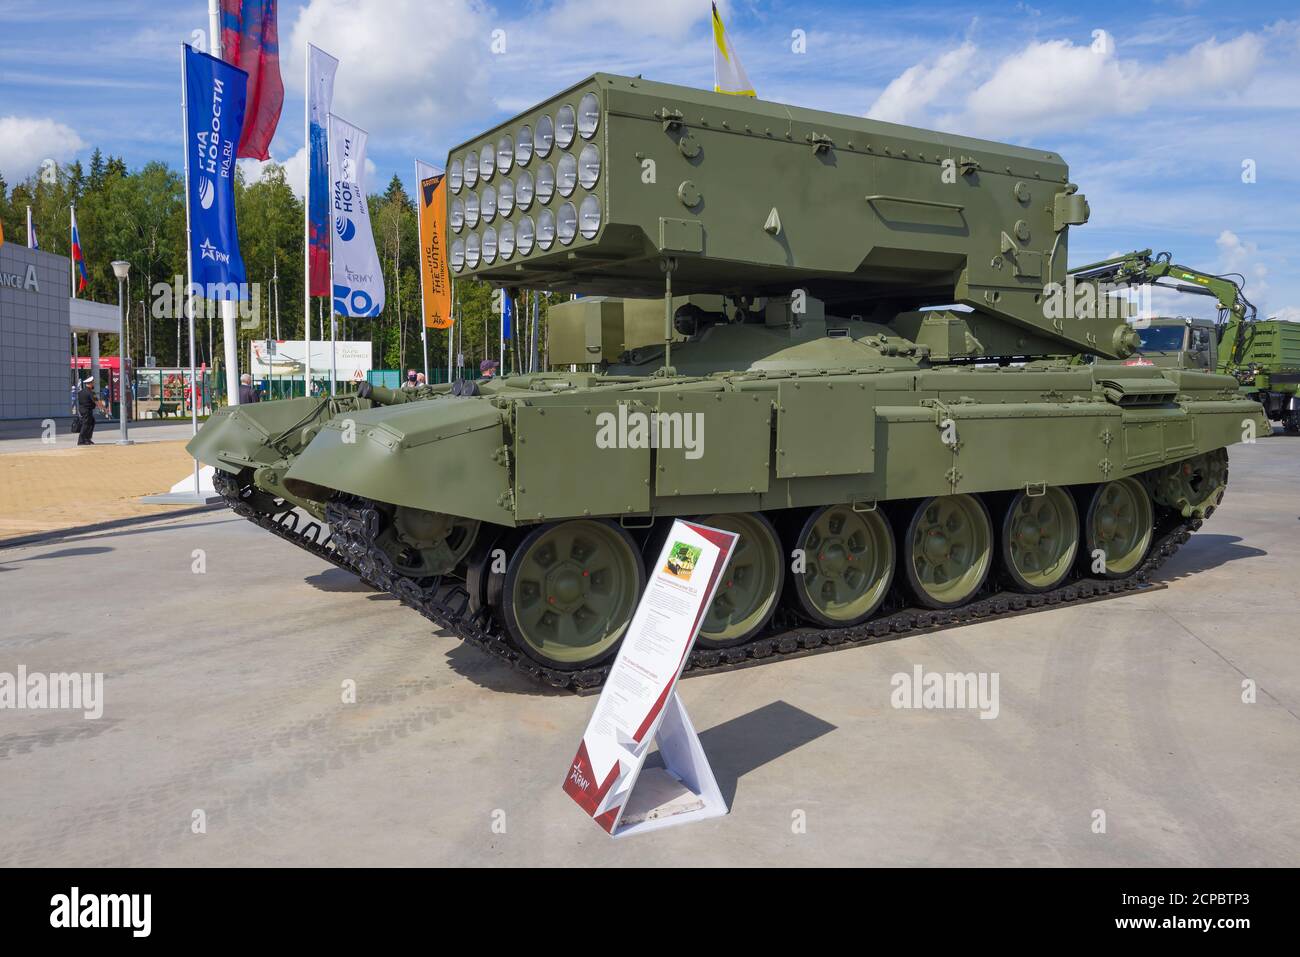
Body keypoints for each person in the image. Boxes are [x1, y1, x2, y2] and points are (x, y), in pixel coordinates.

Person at [75, 377, 102, 445]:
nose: (93, 384)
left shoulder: (80, 392)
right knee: (86, 425)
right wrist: (104, 409)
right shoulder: (91, 392)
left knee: (91, 422)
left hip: (82, 409)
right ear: (90, 384)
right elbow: (97, 402)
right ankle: (81, 440)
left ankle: (87, 439)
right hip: (87, 410)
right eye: (93, 383)